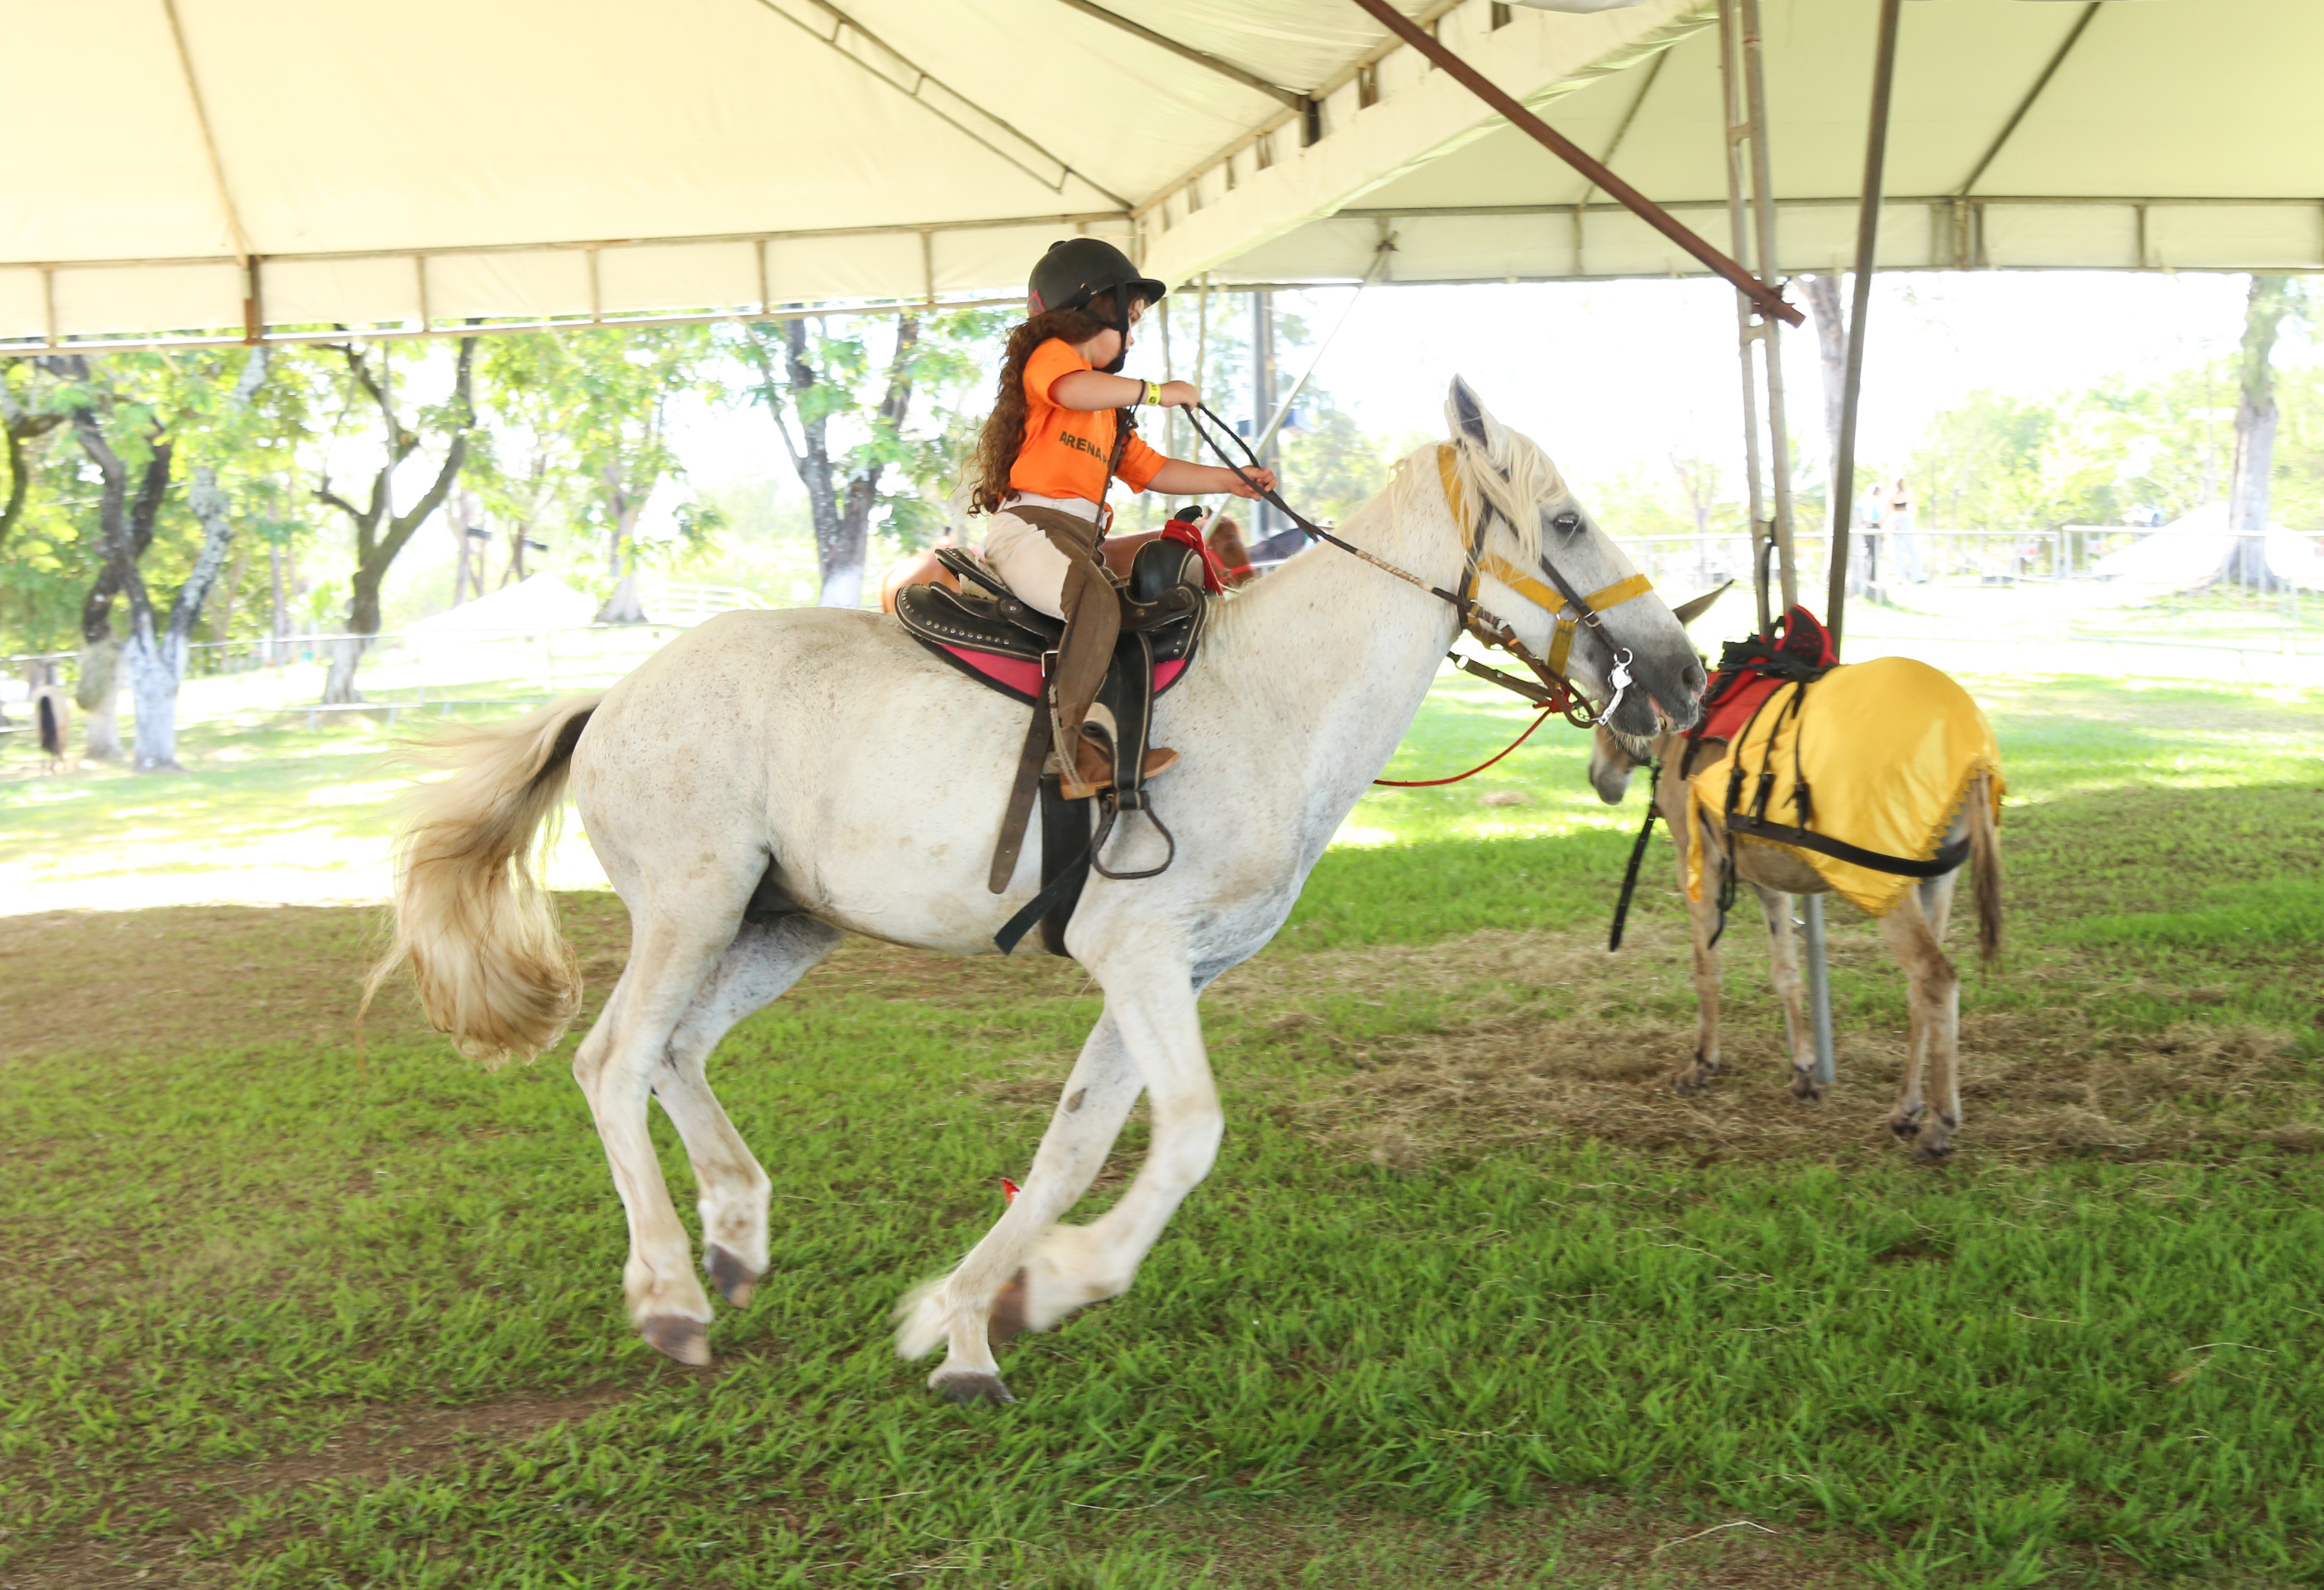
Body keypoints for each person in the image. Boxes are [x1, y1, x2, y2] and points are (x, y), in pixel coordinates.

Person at [968, 238, 1274, 798]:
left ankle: (1119, 730)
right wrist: (1158, 392)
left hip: (1076, 538)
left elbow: (1153, 470)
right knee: (1094, 603)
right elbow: (1072, 388)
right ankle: (1072, 755)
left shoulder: (1106, 413)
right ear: (1091, 310)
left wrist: (1230, 478)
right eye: (1126, 321)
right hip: (1033, 529)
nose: (1131, 338)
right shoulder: (1054, 360)